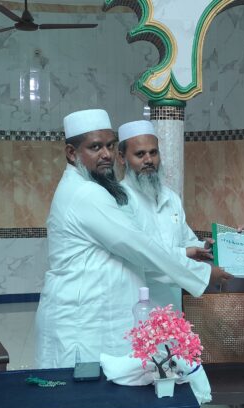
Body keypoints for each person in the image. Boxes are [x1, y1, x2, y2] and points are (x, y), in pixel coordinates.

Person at [34, 109, 231, 370]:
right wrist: (204, 274)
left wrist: (193, 253)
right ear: (71, 153)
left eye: (109, 145)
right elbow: (141, 248)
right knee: (84, 389)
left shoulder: (95, 189)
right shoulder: (86, 194)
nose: (105, 154)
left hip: (101, 315)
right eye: (95, 147)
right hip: (81, 320)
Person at [117, 120, 214, 310]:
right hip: (136, 305)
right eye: (140, 154)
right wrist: (189, 257)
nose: (149, 160)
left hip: (171, 303)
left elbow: (186, 241)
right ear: (122, 158)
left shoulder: (170, 197)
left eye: (153, 152)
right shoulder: (120, 200)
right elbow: (143, 258)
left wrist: (204, 247)